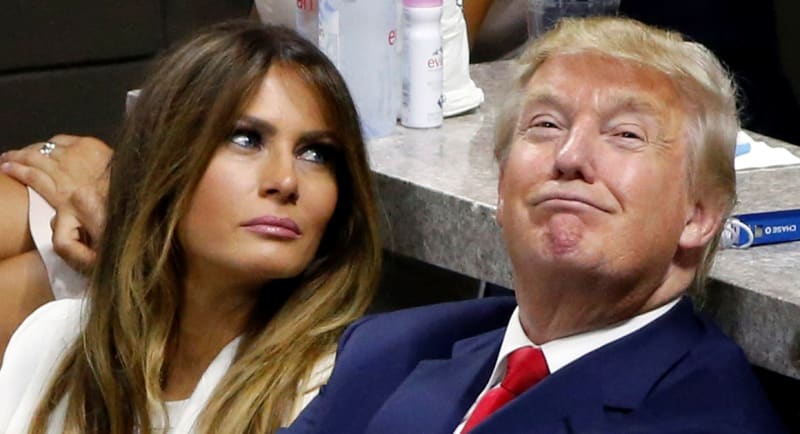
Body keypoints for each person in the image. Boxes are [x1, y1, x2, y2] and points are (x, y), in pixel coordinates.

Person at [290, 16, 787, 433]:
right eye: (546, 125)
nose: (570, 157)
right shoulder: (385, 351)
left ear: (698, 215)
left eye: (626, 134)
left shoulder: (707, 419)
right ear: (502, 187)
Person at [0, 20, 381, 434]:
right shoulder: (47, 342)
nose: (286, 181)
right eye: (246, 139)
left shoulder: (327, 397)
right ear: (165, 160)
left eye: (315, 153)